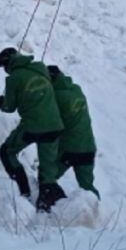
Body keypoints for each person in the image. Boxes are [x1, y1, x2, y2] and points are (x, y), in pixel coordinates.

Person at [0, 48, 66, 212]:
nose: (4, 69)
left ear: (8, 62)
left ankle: (23, 192)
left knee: (7, 151)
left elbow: (10, 107)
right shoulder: (41, 68)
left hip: (33, 126)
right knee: (47, 167)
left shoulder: (14, 78)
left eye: (3, 65)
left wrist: (1, 103)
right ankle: (48, 200)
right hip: (55, 125)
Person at [48, 65, 99, 197]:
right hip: (88, 147)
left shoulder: (55, 97)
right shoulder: (76, 89)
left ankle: (53, 204)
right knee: (88, 187)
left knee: (48, 177)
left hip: (69, 149)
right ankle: (97, 212)